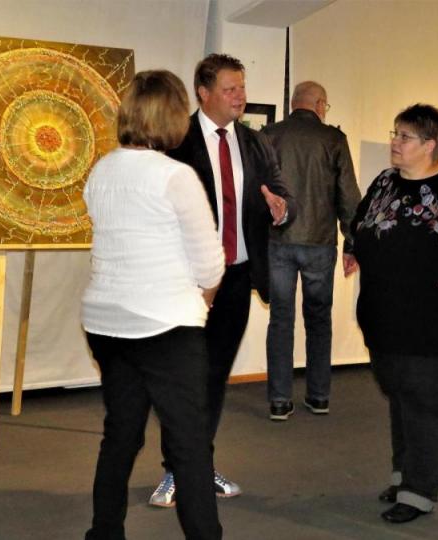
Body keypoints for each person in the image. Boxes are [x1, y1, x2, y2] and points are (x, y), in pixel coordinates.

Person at [81, 70, 224, 540]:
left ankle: (104, 533)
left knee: (121, 435)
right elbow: (210, 264)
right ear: (173, 116)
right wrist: (201, 303)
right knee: (189, 444)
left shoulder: (101, 170)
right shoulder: (175, 176)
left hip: (106, 322)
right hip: (166, 328)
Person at [148, 53, 295, 508]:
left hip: (237, 279)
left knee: (213, 378)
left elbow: (279, 191)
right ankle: (175, 469)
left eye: (242, 88)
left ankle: (198, 464)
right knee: (183, 379)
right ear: (204, 93)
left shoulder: (255, 141)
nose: (240, 96)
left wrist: (281, 208)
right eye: (230, 89)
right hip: (189, 280)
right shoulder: (177, 140)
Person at [351, 104, 438, 524]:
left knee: (426, 405)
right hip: (384, 320)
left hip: (435, 324)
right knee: (401, 401)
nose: (395, 142)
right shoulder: (385, 182)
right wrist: (354, 248)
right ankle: (404, 477)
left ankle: (420, 493)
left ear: (430, 144)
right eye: (395, 133)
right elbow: (360, 221)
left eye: (404, 136)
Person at [260, 81, 361, 421]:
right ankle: (318, 396)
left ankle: (279, 400)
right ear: (319, 105)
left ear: (293, 104)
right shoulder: (333, 139)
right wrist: (352, 242)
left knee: (280, 320)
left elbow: (257, 191)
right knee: (318, 320)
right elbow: (349, 195)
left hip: (278, 241)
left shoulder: (270, 135)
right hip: (319, 243)